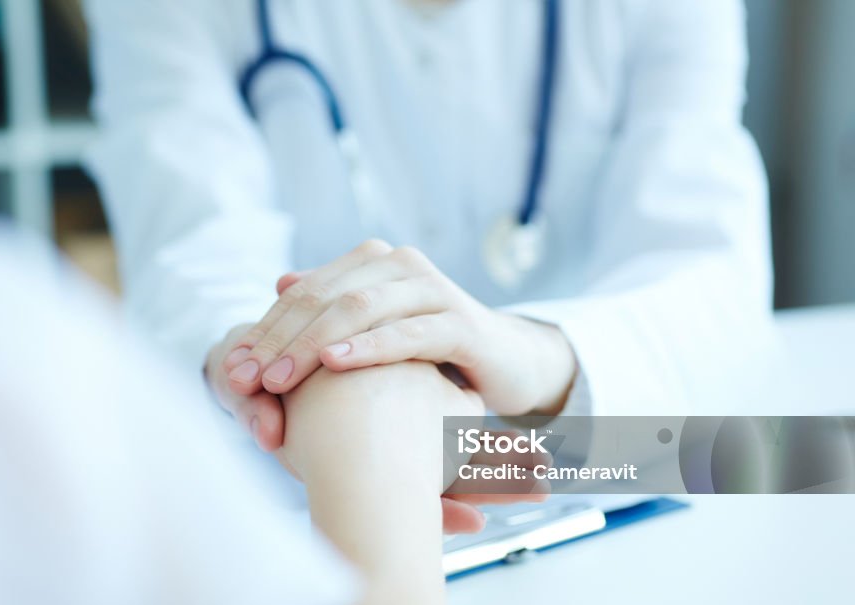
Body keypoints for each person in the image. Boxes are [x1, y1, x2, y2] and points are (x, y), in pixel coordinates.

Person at [84, 0, 776, 471]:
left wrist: (533, 352)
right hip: (308, 451)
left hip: (593, 450)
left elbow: (712, 284)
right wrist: (264, 367)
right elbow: (192, 245)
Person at [0, 192, 473, 605]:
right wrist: (379, 476)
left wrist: (553, 365)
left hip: (486, 448)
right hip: (392, 441)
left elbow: (547, 457)